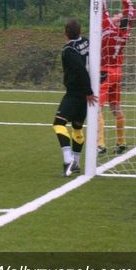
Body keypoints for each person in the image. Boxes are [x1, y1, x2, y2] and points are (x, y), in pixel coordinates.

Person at [52, 19, 96, 177]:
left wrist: (88, 91)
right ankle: (76, 162)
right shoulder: (87, 42)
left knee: (58, 124)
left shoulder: (68, 49)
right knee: (77, 127)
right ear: (80, 31)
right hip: (84, 94)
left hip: (75, 92)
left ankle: (68, 159)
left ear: (66, 33)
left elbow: (80, 69)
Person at [98, 0, 136, 155]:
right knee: (115, 108)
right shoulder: (125, 32)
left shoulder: (108, 27)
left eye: (118, 15)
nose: (116, 15)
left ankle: (100, 144)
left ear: (117, 22)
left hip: (105, 72)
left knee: (97, 107)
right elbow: (131, 10)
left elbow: (102, 8)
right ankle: (121, 142)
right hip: (117, 72)